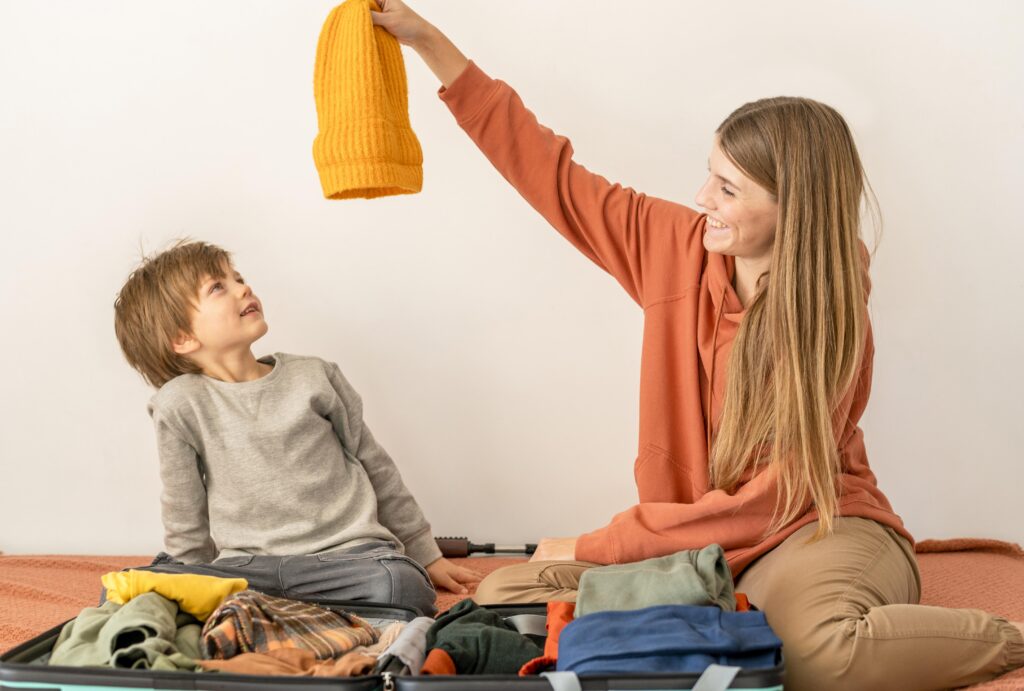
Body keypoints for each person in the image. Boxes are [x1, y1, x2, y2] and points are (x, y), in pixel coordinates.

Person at [369, 2, 1024, 687]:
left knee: (816, 652)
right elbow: (551, 174)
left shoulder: (830, 316)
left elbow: (771, 499)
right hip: (698, 549)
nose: (701, 195)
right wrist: (431, 46)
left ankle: (1006, 638)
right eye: (709, 172)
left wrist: (601, 544)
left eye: (729, 187)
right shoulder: (671, 244)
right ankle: (721, 612)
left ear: (792, 208)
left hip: (809, 530)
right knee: (504, 593)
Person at [112, 239, 480, 616]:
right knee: (136, 594)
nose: (244, 288)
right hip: (251, 568)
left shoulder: (314, 376)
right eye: (218, 287)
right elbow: (183, 508)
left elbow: (376, 466)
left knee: (402, 585)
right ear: (182, 338)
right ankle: (285, 608)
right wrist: (187, 582)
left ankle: (280, 611)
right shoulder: (178, 404)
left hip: (346, 557)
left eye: (238, 277)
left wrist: (425, 554)